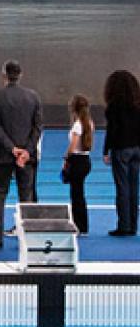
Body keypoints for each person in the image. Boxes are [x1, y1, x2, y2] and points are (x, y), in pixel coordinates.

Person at [0, 60, 42, 249]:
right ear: (21, 74)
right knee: (26, 196)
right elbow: (38, 127)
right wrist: (26, 151)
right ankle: (29, 238)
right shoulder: (33, 97)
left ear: (4, 75)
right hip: (26, 157)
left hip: (3, 155)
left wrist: (11, 148)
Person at [103, 69, 140, 237]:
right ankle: (133, 224)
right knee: (134, 187)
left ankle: (123, 225)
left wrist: (106, 150)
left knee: (123, 188)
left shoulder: (114, 107)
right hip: (137, 148)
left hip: (121, 149)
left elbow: (112, 130)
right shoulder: (138, 104)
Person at [64, 94, 94, 236]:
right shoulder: (89, 122)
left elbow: (73, 145)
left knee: (76, 195)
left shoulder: (77, 125)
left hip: (77, 160)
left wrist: (66, 157)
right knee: (79, 194)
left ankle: (79, 226)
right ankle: (83, 226)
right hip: (86, 160)